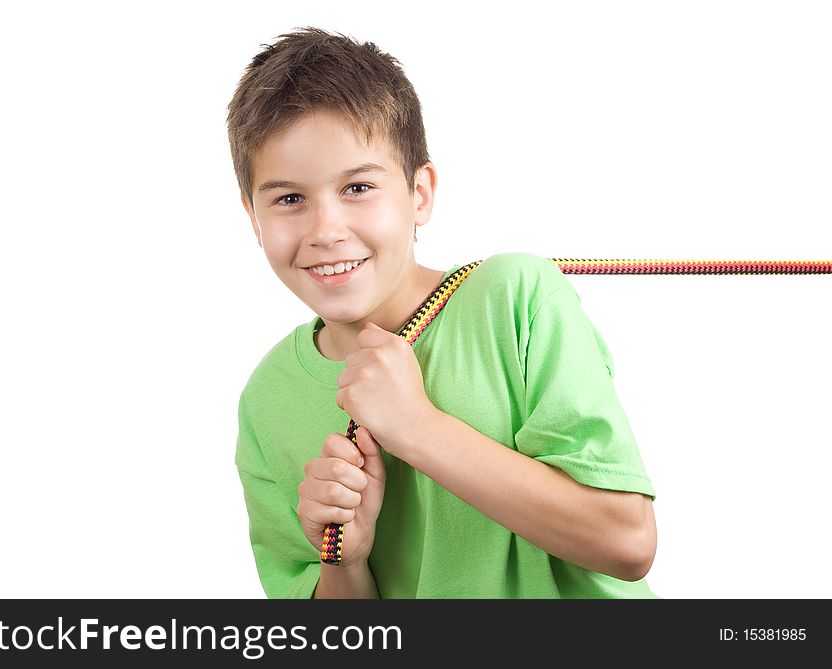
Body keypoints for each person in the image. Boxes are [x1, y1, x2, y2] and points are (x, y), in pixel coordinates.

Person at [227, 27, 658, 598]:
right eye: (288, 199)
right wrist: (344, 561)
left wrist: (416, 427)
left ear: (420, 193)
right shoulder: (268, 397)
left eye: (357, 187)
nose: (326, 231)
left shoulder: (515, 298)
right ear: (253, 217)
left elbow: (626, 543)